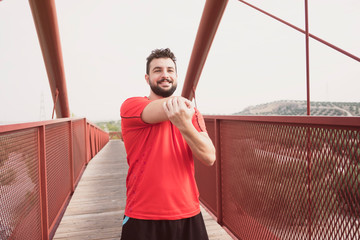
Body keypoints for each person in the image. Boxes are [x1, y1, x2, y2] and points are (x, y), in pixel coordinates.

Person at [120, 48, 216, 240]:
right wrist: (185, 111)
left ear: (177, 76)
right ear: (147, 78)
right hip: (143, 214)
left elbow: (209, 157)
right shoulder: (132, 105)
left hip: (188, 211)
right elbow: (168, 109)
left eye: (170, 70)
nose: (165, 75)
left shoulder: (191, 114)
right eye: (158, 70)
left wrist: (185, 126)